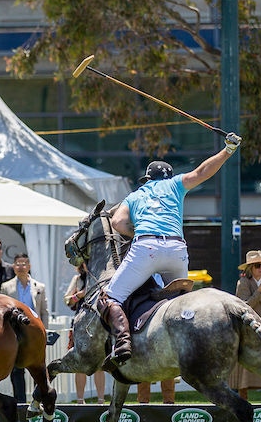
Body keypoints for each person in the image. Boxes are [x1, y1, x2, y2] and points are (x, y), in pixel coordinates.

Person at [101, 133, 242, 366]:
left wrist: (137, 233)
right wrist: (228, 150)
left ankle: (123, 343)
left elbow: (117, 223)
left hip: (146, 247)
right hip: (177, 250)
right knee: (184, 304)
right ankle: (196, 344)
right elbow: (201, 172)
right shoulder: (176, 185)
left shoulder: (136, 195)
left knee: (110, 298)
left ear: (147, 178)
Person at [2, 253, 47, 403]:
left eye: (24, 263)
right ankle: (20, 403)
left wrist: (44, 331)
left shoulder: (39, 287)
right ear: (13, 267)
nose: (21, 266)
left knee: (37, 367)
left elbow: (44, 312)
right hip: (14, 331)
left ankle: (37, 401)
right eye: (18, 263)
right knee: (16, 368)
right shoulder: (6, 287)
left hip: (34, 331)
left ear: (29, 266)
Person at [234, 249, 261, 403]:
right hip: (250, 330)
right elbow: (244, 306)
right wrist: (259, 292)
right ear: (250, 268)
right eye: (258, 265)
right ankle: (243, 400)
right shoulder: (244, 283)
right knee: (246, 367)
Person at [64, 260, 105, 404]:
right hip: (80, 323)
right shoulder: (77, 279)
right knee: (80, 362)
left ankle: (101, 399)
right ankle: (80, 400)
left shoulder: (102, 277)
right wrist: (79, 295)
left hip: (97, 322)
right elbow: (67, 300)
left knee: (100, 364)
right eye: (87, 261)